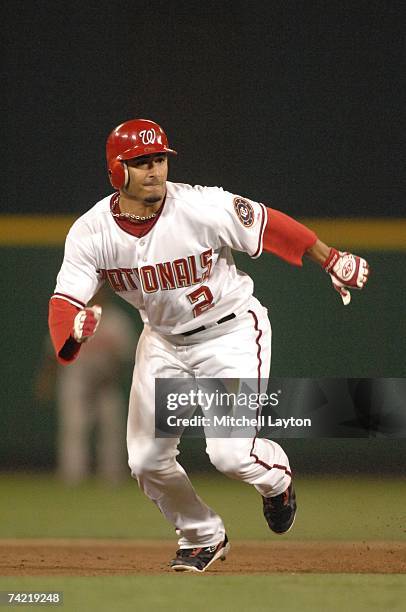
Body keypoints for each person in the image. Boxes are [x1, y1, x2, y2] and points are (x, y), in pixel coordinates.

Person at [48, 118, 369, 572]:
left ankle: (276, 481)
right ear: (116, 171)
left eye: (159, 159)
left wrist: (331, 258)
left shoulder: (200, 205)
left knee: (230, 454)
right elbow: (65, 300)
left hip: (230, 333)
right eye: (140, 163)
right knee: (145, 461)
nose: (154, 170)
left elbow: (268, 225)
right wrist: (72, 330)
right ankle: (202, 534)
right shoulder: (91, 232)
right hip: (163, 342)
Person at [37, 287, 136, 484]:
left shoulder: (117, 322)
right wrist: (46, 379)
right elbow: (53, 353)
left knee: (111, 430)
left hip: (107, 384)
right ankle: (73, 476)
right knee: (74, 429)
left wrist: (113, 377)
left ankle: (112, 476)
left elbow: (127, 357)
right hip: (76, 382)